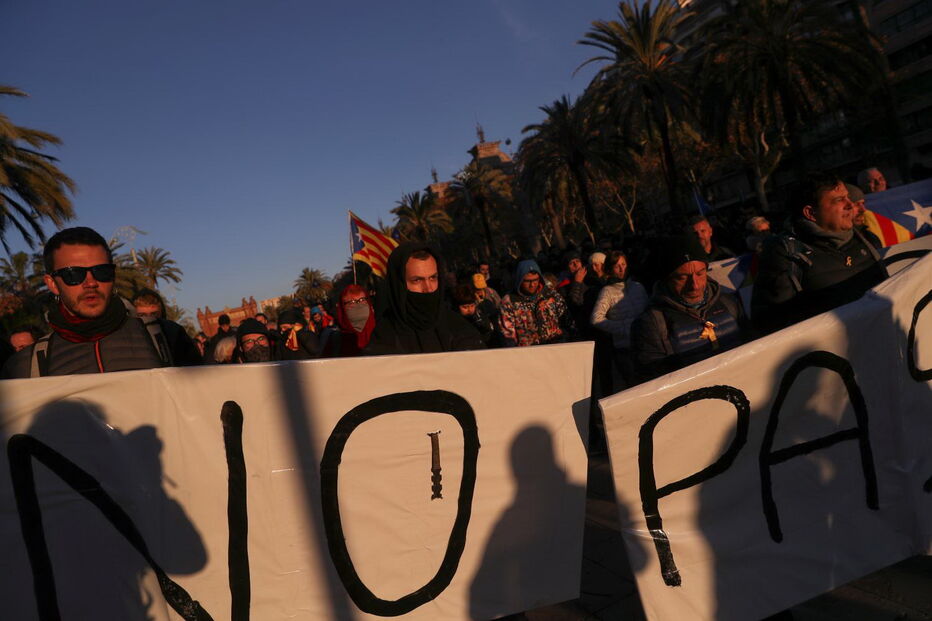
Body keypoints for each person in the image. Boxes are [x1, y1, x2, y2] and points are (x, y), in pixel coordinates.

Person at [2, 227, 177, 378]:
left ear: (113, 275)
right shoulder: (24, 366)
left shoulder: (167, 338)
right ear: (52, 284)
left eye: (102, 271)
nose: (91, 282)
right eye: (73, 274)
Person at [752, 173, 888, 334]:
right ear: (810, 213)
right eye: (839, 200)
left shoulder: (866, 238)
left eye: (847, 197)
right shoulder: (785, 254)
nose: (850, 205)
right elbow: (772, 326)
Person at [631, 236, 751, 383]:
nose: (694, 285)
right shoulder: (651, 324)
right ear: (667, 278)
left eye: (700, 274)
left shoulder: (729, 303)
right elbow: (652, 384)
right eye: (682, 277)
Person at [365, 242, 484, 355]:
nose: (428, 288)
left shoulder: (460, 329)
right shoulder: (383, 338)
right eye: (417, 280)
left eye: (433, 278)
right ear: (399, 285)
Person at [590, 250, 650, 388]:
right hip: (625, 348)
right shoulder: (607, 291)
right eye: (617, 266)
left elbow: (649, 309)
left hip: (645, 343)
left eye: (623, 264)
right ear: (610, 269)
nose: (622, 268)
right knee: (634, 387)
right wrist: (623, 327)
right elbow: (595, 318)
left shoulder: (637, 286)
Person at [498, 259, 571, 347]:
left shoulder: (550, 294)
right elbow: (508, 336)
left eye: (535, 280)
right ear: (519, 280)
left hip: (555, 348)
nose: (532, 284)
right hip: (528, 353)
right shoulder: (509, 302)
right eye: (527, 281)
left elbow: (566, 320)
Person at [131, 288, 202, 366]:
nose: (149, 319)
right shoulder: (129, 335)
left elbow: (193, 363)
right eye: (142, 315)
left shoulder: (174, 331)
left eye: (154, 314)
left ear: (161, 312)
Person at [845, 183, 883, 249]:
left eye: (863, 203)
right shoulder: (840, 244)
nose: (863, 209)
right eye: (856, 204)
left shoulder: (870, 237)